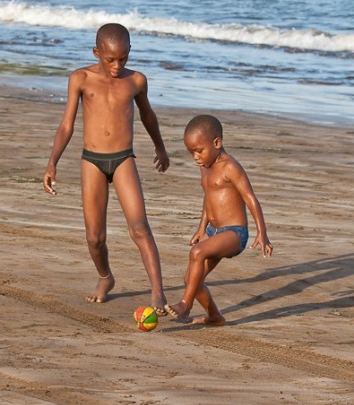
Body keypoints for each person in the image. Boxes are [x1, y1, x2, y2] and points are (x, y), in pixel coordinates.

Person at [43, 23, 170, 314]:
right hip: (92, 161)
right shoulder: (81, 79)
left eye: (123, 58)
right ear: (96, 52)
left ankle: (158, 293)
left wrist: (160, 148)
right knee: (94, 237)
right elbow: (66, 125)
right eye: (110, 59)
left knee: (140, 228)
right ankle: (105, 277)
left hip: (124, 158)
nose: (117, 65)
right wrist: (52, 163)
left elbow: (148, 117)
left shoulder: (136, 81)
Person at [165, 115, 273, 325]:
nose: (196, 157)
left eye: (199, 150)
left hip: (234, 233)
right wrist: (201, 228)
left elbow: (250, 198)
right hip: (214, 232)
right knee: (191, 280)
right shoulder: (205, 166)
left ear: (217, 143)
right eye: (191, 152)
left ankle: (185, 306)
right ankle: (215, 316)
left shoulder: (230, 167)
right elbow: (209, 198)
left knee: (197, 253)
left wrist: (262, 233)